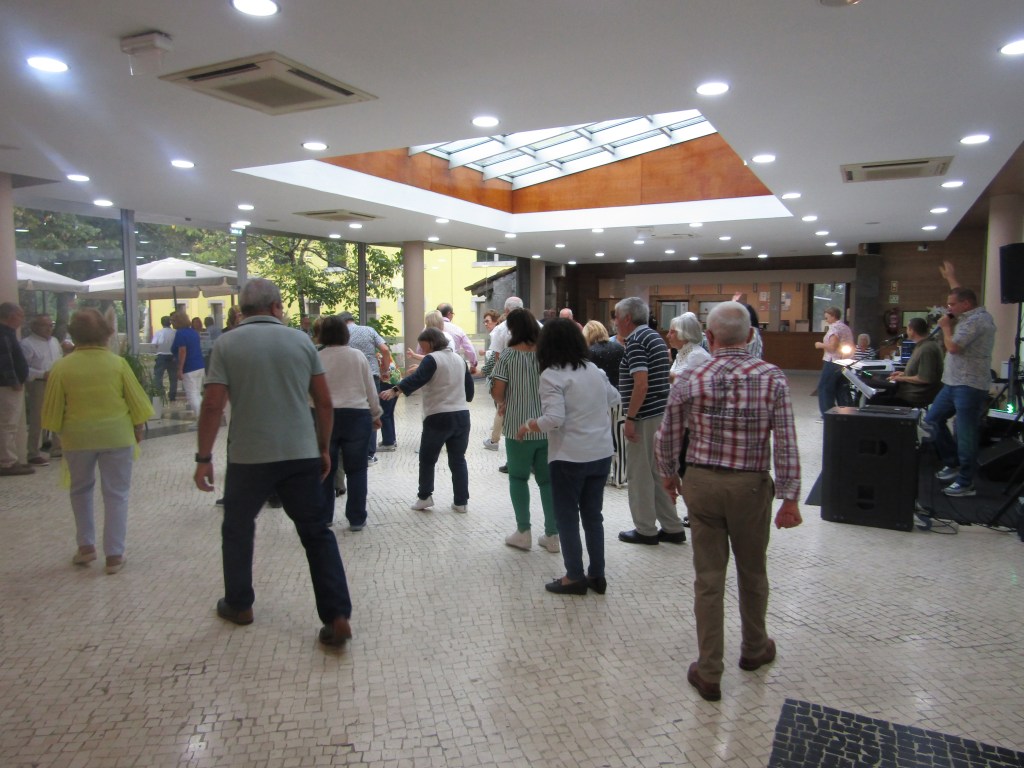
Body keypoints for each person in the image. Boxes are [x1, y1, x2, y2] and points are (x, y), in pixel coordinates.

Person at [655, 301, 802, 702]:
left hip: (701, 483)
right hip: (750, 486)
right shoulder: (772, 377)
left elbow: (668, 432)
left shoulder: (692, 375)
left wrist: (668, 475)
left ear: (710, 337)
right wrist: (790, 497)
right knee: (753, 571)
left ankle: (708, 670)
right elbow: (785, 440)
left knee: (708, 578)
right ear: (751, 335)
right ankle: (754, 648)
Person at [193, 278, 353, 646]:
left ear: (241, 310)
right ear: (277, 307)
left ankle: (239, 604)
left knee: (237, 528)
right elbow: (324, 402)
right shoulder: (301, 341)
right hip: (300, 453)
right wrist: (323, 448)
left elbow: (213, 404)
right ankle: (336, 615)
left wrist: (204, 457)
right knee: (316, 534)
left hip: (249, 456)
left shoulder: (227, 343)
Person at [42, 308, 154, 574]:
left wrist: (58, 432)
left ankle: (85, 547)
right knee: (116, 494)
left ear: (73, 335)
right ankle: (114, 555)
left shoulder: (62, 366)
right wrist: (138, 427)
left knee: (80, 490)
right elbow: (137, 402)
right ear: (106, 333)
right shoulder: (117, 364)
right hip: (116, 435)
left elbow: (52, 408)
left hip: (77, 437)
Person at [517, 318, 620, 595]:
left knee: (567, 517)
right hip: (600, 453)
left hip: (569, 456)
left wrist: (528, 425)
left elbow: (554, 419)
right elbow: (614, 398)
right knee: (593, 516)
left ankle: (574, 576)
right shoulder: (594, 370)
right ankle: (597, 575)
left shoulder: (552, 375)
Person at [613, 297, 687, 545]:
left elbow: (641, 383)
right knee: (657, 472)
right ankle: (672, 526)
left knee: (640, 473)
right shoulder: (654, 336)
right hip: (659, 412)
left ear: (627, 318)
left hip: (644, 416)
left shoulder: (635, 341)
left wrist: (630, 417)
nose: (614, 322)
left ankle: (645, 529)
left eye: (616, 317)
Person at [381, 327, 473, 513]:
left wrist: (395, 390)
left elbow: (418, 378)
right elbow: (469, 391)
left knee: (427, 459)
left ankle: (424, 497)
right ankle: (461, 502)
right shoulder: (459, 359)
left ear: (432, 343)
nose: (422, 351)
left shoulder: (432, 359)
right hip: (462, 416)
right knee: (458, 460)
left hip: (438, 416)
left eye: (423, 347)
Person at [491, 308, 557, 552]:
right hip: (547, 425)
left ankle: (523, 532)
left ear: (512, 329)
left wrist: (502, 402)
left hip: (518, 426)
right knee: (547, 481)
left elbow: (498, 391)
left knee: (518, 478)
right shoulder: (547, 355)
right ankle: (552, 535)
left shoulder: (508, 355)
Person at [924, 286, 996, 497]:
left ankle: (966, 481)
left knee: (966, 433)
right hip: (952, 383)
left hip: (969, 384)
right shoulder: (967, 317)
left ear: (966, 305)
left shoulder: (978, 321)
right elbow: (960, 293)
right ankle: (952, 462)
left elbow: (954, 347)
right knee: (932, 420)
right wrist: (951, 278)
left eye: (952, 304)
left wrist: (946, 328)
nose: (949, 308)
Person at [318, 314, 382, 531]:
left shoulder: (317, 357)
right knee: (357, 469)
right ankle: (356, 518)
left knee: (326, 468)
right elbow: (369, 388)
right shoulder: (357, 356)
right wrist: (375, 414)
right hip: (356, 416)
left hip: (325, 417)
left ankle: (325, 516)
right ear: (345, 334)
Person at [339, 312, 396, 459]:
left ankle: (355, 449)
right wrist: (385, 368)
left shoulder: (342, 334)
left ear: (342, 322)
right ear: (352, 320)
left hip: (351, 376)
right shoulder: (369, 330)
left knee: (354, 410)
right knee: (371, 411)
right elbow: (385, 349)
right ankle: (370, 453)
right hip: (372, 375)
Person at [583, 319, 626, 488]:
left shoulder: (589, 352)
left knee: (603, 439)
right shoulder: (619, 348)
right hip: (620, 397)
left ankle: (604, 473)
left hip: (600, 401)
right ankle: (620, 477)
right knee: (620, 438)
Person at [871, 318, 944, 408]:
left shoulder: (927, 349)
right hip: (908, 392)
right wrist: (904, 374)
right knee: (876, 396)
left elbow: (925, 378)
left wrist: (902, 378)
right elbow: (920, 371)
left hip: (914, 397)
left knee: (872, 401)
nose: (907, 332)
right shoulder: (923, 345)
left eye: (907, 329)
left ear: (911, 330)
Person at [22, 313, 64, 465]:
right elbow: (23, 368)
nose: (48, 328)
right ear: (34, 327)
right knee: (38, 417)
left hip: (56, 381)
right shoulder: (27, 344)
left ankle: (57, 447)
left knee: (58, 412)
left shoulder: (54, 341)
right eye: (44, 325)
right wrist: (42, 374)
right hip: (38, 383)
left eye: (50, 325)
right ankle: (33, 452)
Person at [0, 303, 32, 476]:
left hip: (8, 384)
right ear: (12, 316)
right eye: (21, 315)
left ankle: (10, 458)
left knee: (8, 423)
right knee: (8, 424)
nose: (22, 319)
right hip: (7, 386)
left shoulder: (8, 333)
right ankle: (8, 461)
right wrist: (14, 381)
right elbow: (5, 360)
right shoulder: (4, 334)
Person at [814, 306, 854, 415]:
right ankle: (846, 413)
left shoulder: (834, 328)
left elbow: (832, 347)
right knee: (842, 388)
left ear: (833, 316)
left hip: (833, 362)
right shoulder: (846, 328)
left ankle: (828, 414)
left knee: (825, 388)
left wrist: (820, 345)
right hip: (846, 362)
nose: (826, 320)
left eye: (827, 318)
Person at [171, 311, 204, 419]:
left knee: (192, 395)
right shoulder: (193, 332)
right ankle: (203, 416)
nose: (172, 323)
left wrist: (180, 369)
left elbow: (182, 351)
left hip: (189, 367)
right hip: (199, 365)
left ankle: (201, 419)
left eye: (173, 321)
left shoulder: (180, 333)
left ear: (178, 321)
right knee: (197, 393)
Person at [481, 309, 504, 452]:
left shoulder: (498, 332)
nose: (485, 324)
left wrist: (483, 371)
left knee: (501, 406)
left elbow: (496, 357)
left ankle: (494, 440)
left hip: (502, 375)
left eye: (487, 321)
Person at [667, 312, 711, 386]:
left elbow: (690, 386)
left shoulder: (697, 355)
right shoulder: (681, 354)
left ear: (684, 334)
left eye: (672, 332)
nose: (668, 336)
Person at [437, 302, 479, 373]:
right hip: (453, 366)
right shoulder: (457, 330)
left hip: (435, 365)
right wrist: (473, 365)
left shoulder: (428, 329)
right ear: (449, 314)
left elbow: (420, 349)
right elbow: (469, 349)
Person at [151, 315, 178, 402]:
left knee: (158, 376)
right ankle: (172, 395)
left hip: (161, 356)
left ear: (161, 323)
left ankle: (160, 394)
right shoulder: (175, 332)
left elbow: (154, 344)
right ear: (170, 323)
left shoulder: (159, 333)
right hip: (173, 356)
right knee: (173, 377)